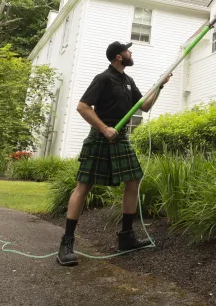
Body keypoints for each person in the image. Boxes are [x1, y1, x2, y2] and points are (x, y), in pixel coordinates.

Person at [57, 41, 171, 266]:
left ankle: (126, 237)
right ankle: (66, 244)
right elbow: (82, 106)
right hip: (101, 138)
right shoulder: (103, 78)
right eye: (128, 51)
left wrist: (159, 85)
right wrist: (104, 128)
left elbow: (145, 106)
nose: (131, 53)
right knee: (84, 185)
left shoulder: (128, 81)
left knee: (133, 180)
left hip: (120, 139)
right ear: (119, 57)